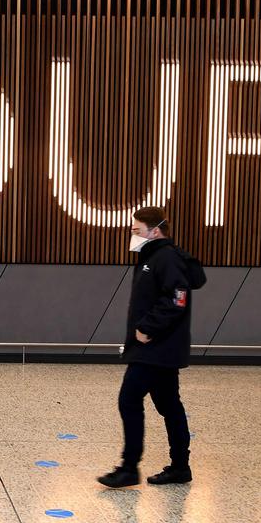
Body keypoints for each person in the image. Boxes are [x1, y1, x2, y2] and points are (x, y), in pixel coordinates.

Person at [97, 206, 194, 489]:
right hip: (156, 348)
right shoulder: (152, 258)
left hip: (157, 347)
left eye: (137, 230)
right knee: (169, 406)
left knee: (129, 398)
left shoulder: (167, 258)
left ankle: (129, 468)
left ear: (155, 230)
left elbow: (177, 299)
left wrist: (147, 327)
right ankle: (180, 466)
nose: (133, 235)